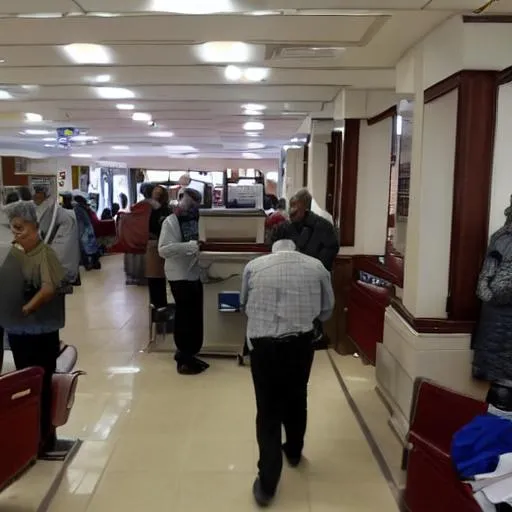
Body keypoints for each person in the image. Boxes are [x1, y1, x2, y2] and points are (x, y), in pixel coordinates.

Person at [240, 239, 335, 507]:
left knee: (267, 410)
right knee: (296, 397)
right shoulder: (316, 267)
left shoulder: (254, 266)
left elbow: (243, 302)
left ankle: (267, 485)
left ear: (274, 248)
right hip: (299, 344)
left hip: (263, 347)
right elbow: (327, 310)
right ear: (295, 248)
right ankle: (293, 451)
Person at [2, 201, 66, 457]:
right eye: (13, 228)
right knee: (26, 383)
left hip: (41, 331)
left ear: (36, 228)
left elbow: (49, 289)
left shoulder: (45, 254)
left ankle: (44, 438)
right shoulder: (14, 255)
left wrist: (26, 308)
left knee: (43, 383)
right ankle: (31, 435)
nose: (17, 234)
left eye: (21, 228)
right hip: (19, 332)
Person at [158, 188, 208, 375]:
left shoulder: (195, 220)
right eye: (190, 205)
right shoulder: (171, 222)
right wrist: (190, 246)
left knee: (194, 317)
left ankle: (188, 354)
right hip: (178, 275)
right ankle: (184, 359)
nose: (193, 209)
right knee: (185, 318)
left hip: (193, 274)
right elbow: (163, 250)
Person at [271, 188, 339, 271]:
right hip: (287, 272)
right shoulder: (283, 227)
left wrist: (316, 267)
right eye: (291, 206)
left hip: (314, 273)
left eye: (295, 206)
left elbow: (331, 249)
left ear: (306, 207)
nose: (291, 211)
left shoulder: (323, 226)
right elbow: (273, 247)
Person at [33, 185, 80, 283]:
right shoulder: (64, 212)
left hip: (61, 266)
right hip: (68, 263)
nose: (34, 198)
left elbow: (45, 234)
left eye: (37, 195)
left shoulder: (53, 211)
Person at [146, 185, 171, 310]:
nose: (156, 195)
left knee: (159, 276)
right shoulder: (149, 208)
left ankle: (160, 305)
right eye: (154, 192)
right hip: (153, 244)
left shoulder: (165, 210)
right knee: (155, 276)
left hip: (160, 243)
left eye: (158, 193)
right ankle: (157, 305)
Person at [73, 194, 101, 270]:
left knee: (84, 249)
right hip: (90, 229)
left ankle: (88, 265)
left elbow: (79, 222)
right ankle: (95, 263)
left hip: (84, 230)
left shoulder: (77, 209)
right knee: (92, 247)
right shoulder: (86, 207)